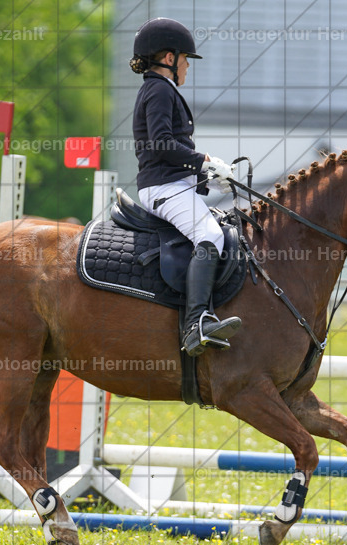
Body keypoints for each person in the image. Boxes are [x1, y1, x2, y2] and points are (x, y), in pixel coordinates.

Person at [129, 17, 241, 357]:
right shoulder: (160, 89)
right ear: (168, 58)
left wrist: (205, 174)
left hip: (170, 184)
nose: (188, 66)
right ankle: (197, 324)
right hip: (163, 187)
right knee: (212, 235)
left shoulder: (158, 89)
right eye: (185, 59)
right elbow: (162, 144)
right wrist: (204, 160)